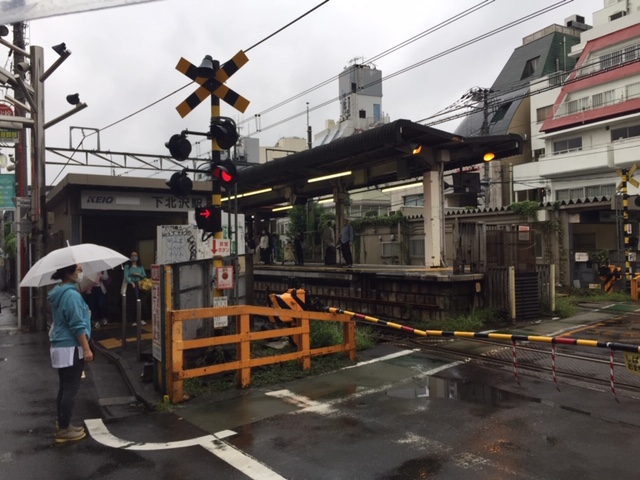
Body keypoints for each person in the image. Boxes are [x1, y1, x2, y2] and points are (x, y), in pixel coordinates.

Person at [48, 263, 93, 444]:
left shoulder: (60, 292)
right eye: (78, 270)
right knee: (70, 389)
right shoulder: (72, 295)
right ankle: (64, 429)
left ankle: (63, 424)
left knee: (64, 387)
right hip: (71, 346)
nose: (80, 273)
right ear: (69, 273)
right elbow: (77, 325)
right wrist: (87, 348)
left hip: (60, 345)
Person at [124, 251, 147, 325]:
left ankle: (140, 318)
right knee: (132, 303)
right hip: (132, 285)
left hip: (139, 285)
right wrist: (131, 282)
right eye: (132, 255)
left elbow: (144, 275)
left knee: (141, 302)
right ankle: (133, 320)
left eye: (136, 255)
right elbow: (126, 277)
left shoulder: (140, 266)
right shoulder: (127, 266)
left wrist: (138, 275)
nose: (134, 257)